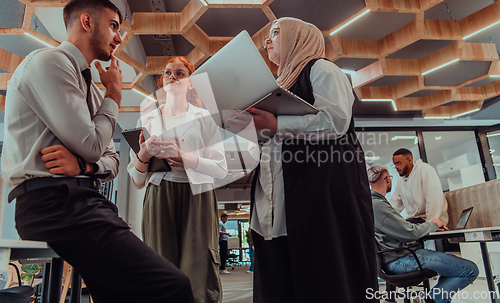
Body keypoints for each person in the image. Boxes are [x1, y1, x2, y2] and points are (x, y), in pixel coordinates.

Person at [2, 0, 193, 303]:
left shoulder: (90, 87)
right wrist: (115, 94)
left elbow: (112, 160)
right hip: (54, 203)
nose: (119, 38)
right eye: (114, 26)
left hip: (83, 198)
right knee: (174, 286)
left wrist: (84, 167)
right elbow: (93, 146)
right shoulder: (51, 62)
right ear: (87, 22)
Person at [228, 17, 378, 303]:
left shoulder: (321, 68)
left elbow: (336, 121)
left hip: (316, 203)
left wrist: (276, 125)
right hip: (274, 210)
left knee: (325, 282)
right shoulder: (274, 86)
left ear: (299, 37)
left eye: (275, 32)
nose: (267, 41)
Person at [127, 56, 227, 303]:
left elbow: (221, 167)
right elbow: (137, 179)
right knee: (160, 263)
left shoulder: (204, 117)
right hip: (159, 193)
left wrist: (183, 157)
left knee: (199, 266)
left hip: (198, 196)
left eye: (180, 73)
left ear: (190, 83)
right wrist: (143, 154)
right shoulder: (146, 120)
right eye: (167, 73)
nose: (172, 77)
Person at [368, 164, 479, 303]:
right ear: (387, 179)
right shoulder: (378, 205)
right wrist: (433, 224)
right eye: (390, 176)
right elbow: (410, 233)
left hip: (394, 258)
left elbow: (403, 229)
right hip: (400, 260)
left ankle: (432, 299)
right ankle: (429, 299)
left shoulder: (372, 203)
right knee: (470, 270)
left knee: (452, 269)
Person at [391, 148, 448, 225]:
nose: (396, 167)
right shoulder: (400, 182)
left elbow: (434, 199)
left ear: (410, 160)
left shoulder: (425, 170)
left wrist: (431, 225)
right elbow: (393, 206)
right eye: (394, 164)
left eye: (398, 163)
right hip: (415, 222)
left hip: (429, 220)